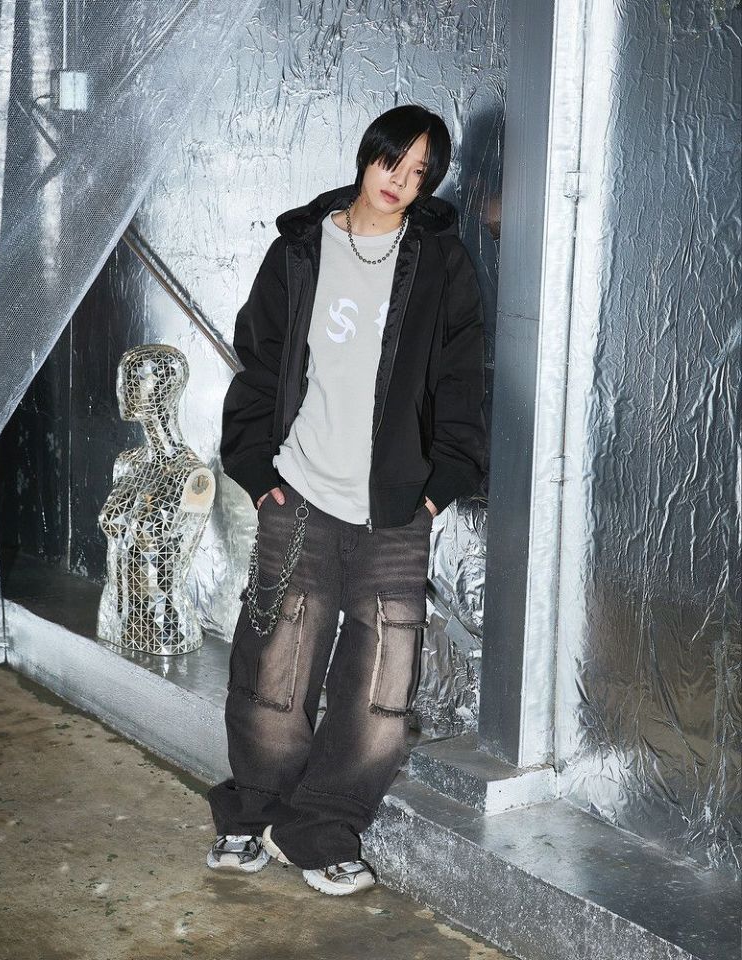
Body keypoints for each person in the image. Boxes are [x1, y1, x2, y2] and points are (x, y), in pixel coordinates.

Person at [206, 104, 488, 895]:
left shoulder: (440, 262)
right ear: (369, 156)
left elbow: (461, 376)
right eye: (394, 161)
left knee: (382, 690)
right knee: (276, 669)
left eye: (421, 172)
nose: (402, 181)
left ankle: (321, 827)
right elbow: (260, 362)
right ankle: (251, 813)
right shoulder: (302, 249)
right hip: (298, 490)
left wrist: (439, 486)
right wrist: (256, 469)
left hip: (396, 508)